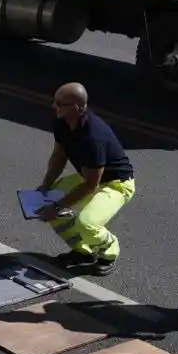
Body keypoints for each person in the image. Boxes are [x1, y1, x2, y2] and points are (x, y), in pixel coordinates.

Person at [35, 82, 137, 273]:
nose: (53, 106)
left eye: (59, 103)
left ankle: (109, 252)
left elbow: (91, 185)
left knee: (86, 222)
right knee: (50, 201)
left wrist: (56, 207)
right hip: (90, 178)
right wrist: (46, 184)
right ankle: (83, 251)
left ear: (75, 108)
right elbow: (59, 155)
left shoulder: (93, 137)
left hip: (116, 184)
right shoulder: (61, 123)